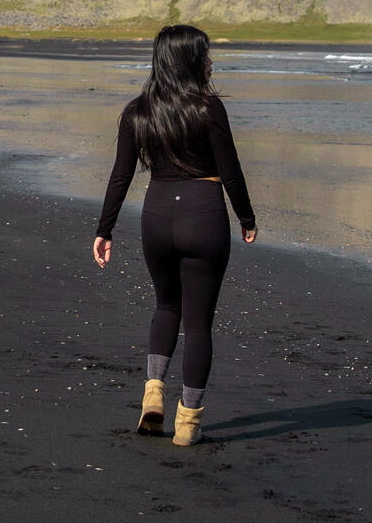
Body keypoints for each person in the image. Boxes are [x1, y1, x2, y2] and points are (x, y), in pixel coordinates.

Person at [92, 24, 257, 446]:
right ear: (189, 60)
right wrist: (247, 218)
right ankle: (187, 425)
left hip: (157, 217)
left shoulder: (137, 111)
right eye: (205, 55)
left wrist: (104, 228)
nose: (211, 62)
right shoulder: (209, 108)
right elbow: (232, 171)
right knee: (199, 325)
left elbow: (120, 175)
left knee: (166, 306)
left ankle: (152, 398)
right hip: (203, 215)